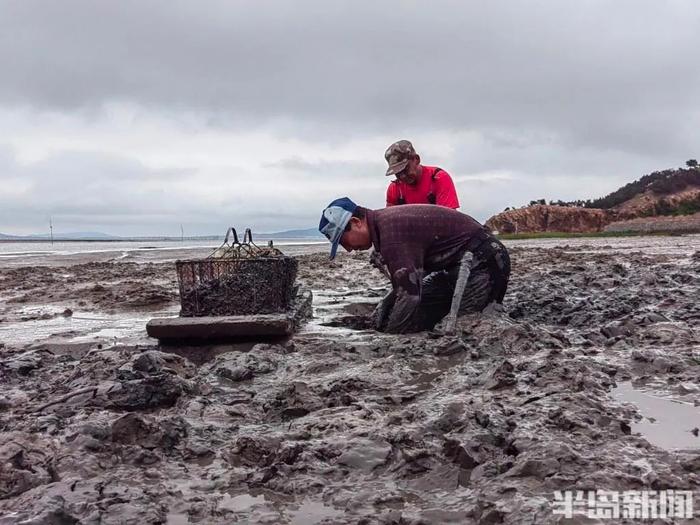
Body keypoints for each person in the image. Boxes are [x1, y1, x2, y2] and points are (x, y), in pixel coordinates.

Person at [318, 197, 510, 334]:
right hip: (454, 267)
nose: (349, 249)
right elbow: (410, 285)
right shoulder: (385, 225)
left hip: (485, 263)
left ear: (356, 222)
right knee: (419, 313)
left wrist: (389, 338)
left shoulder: (391, 235)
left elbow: (409, 297)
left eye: (344, 242)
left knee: (464, 327)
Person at [384, 140, 459, 209]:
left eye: (405, 169)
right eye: (397, 173)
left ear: (416, 159)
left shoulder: (438, 178)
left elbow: (450, 219)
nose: (402, 176)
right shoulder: (395, 189)